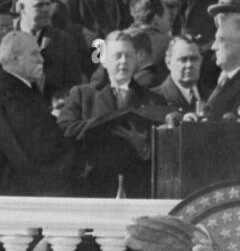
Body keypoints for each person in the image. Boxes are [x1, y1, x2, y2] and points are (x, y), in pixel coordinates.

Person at [58, 30, 163, 197]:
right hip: (93, 186)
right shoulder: (82, 95)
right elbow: (64, 129)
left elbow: (164, 152)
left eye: (129, 56)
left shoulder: (153, 99)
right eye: (117, 56)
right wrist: (102, 124)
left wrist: (144, 148)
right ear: (104, 60)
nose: (123, 61)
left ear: (136, 60)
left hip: (137, 188)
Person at [0, 31, 75, 196]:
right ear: (15, 58)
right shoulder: (9, 96)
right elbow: (37, 151)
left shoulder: (17, 90)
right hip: (14, 199)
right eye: (34, 54)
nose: (41, 60)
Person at [155, 33, 208, 115]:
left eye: (194, 59)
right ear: (168, 63)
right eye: (183, 59)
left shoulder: (212, 98)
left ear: (201, 61)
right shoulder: (154, 100)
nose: (189, 65)